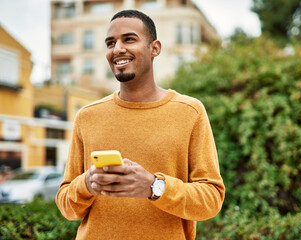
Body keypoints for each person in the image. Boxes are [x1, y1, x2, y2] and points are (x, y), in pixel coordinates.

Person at [56, 9, 225, 240]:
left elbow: (211, 199)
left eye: (129, 39)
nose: (117, 49)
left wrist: (155, 187)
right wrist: (87, 183)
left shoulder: (190, 112)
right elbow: (67, 206)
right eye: (110, 43)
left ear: (155, 48)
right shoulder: (87, 116)